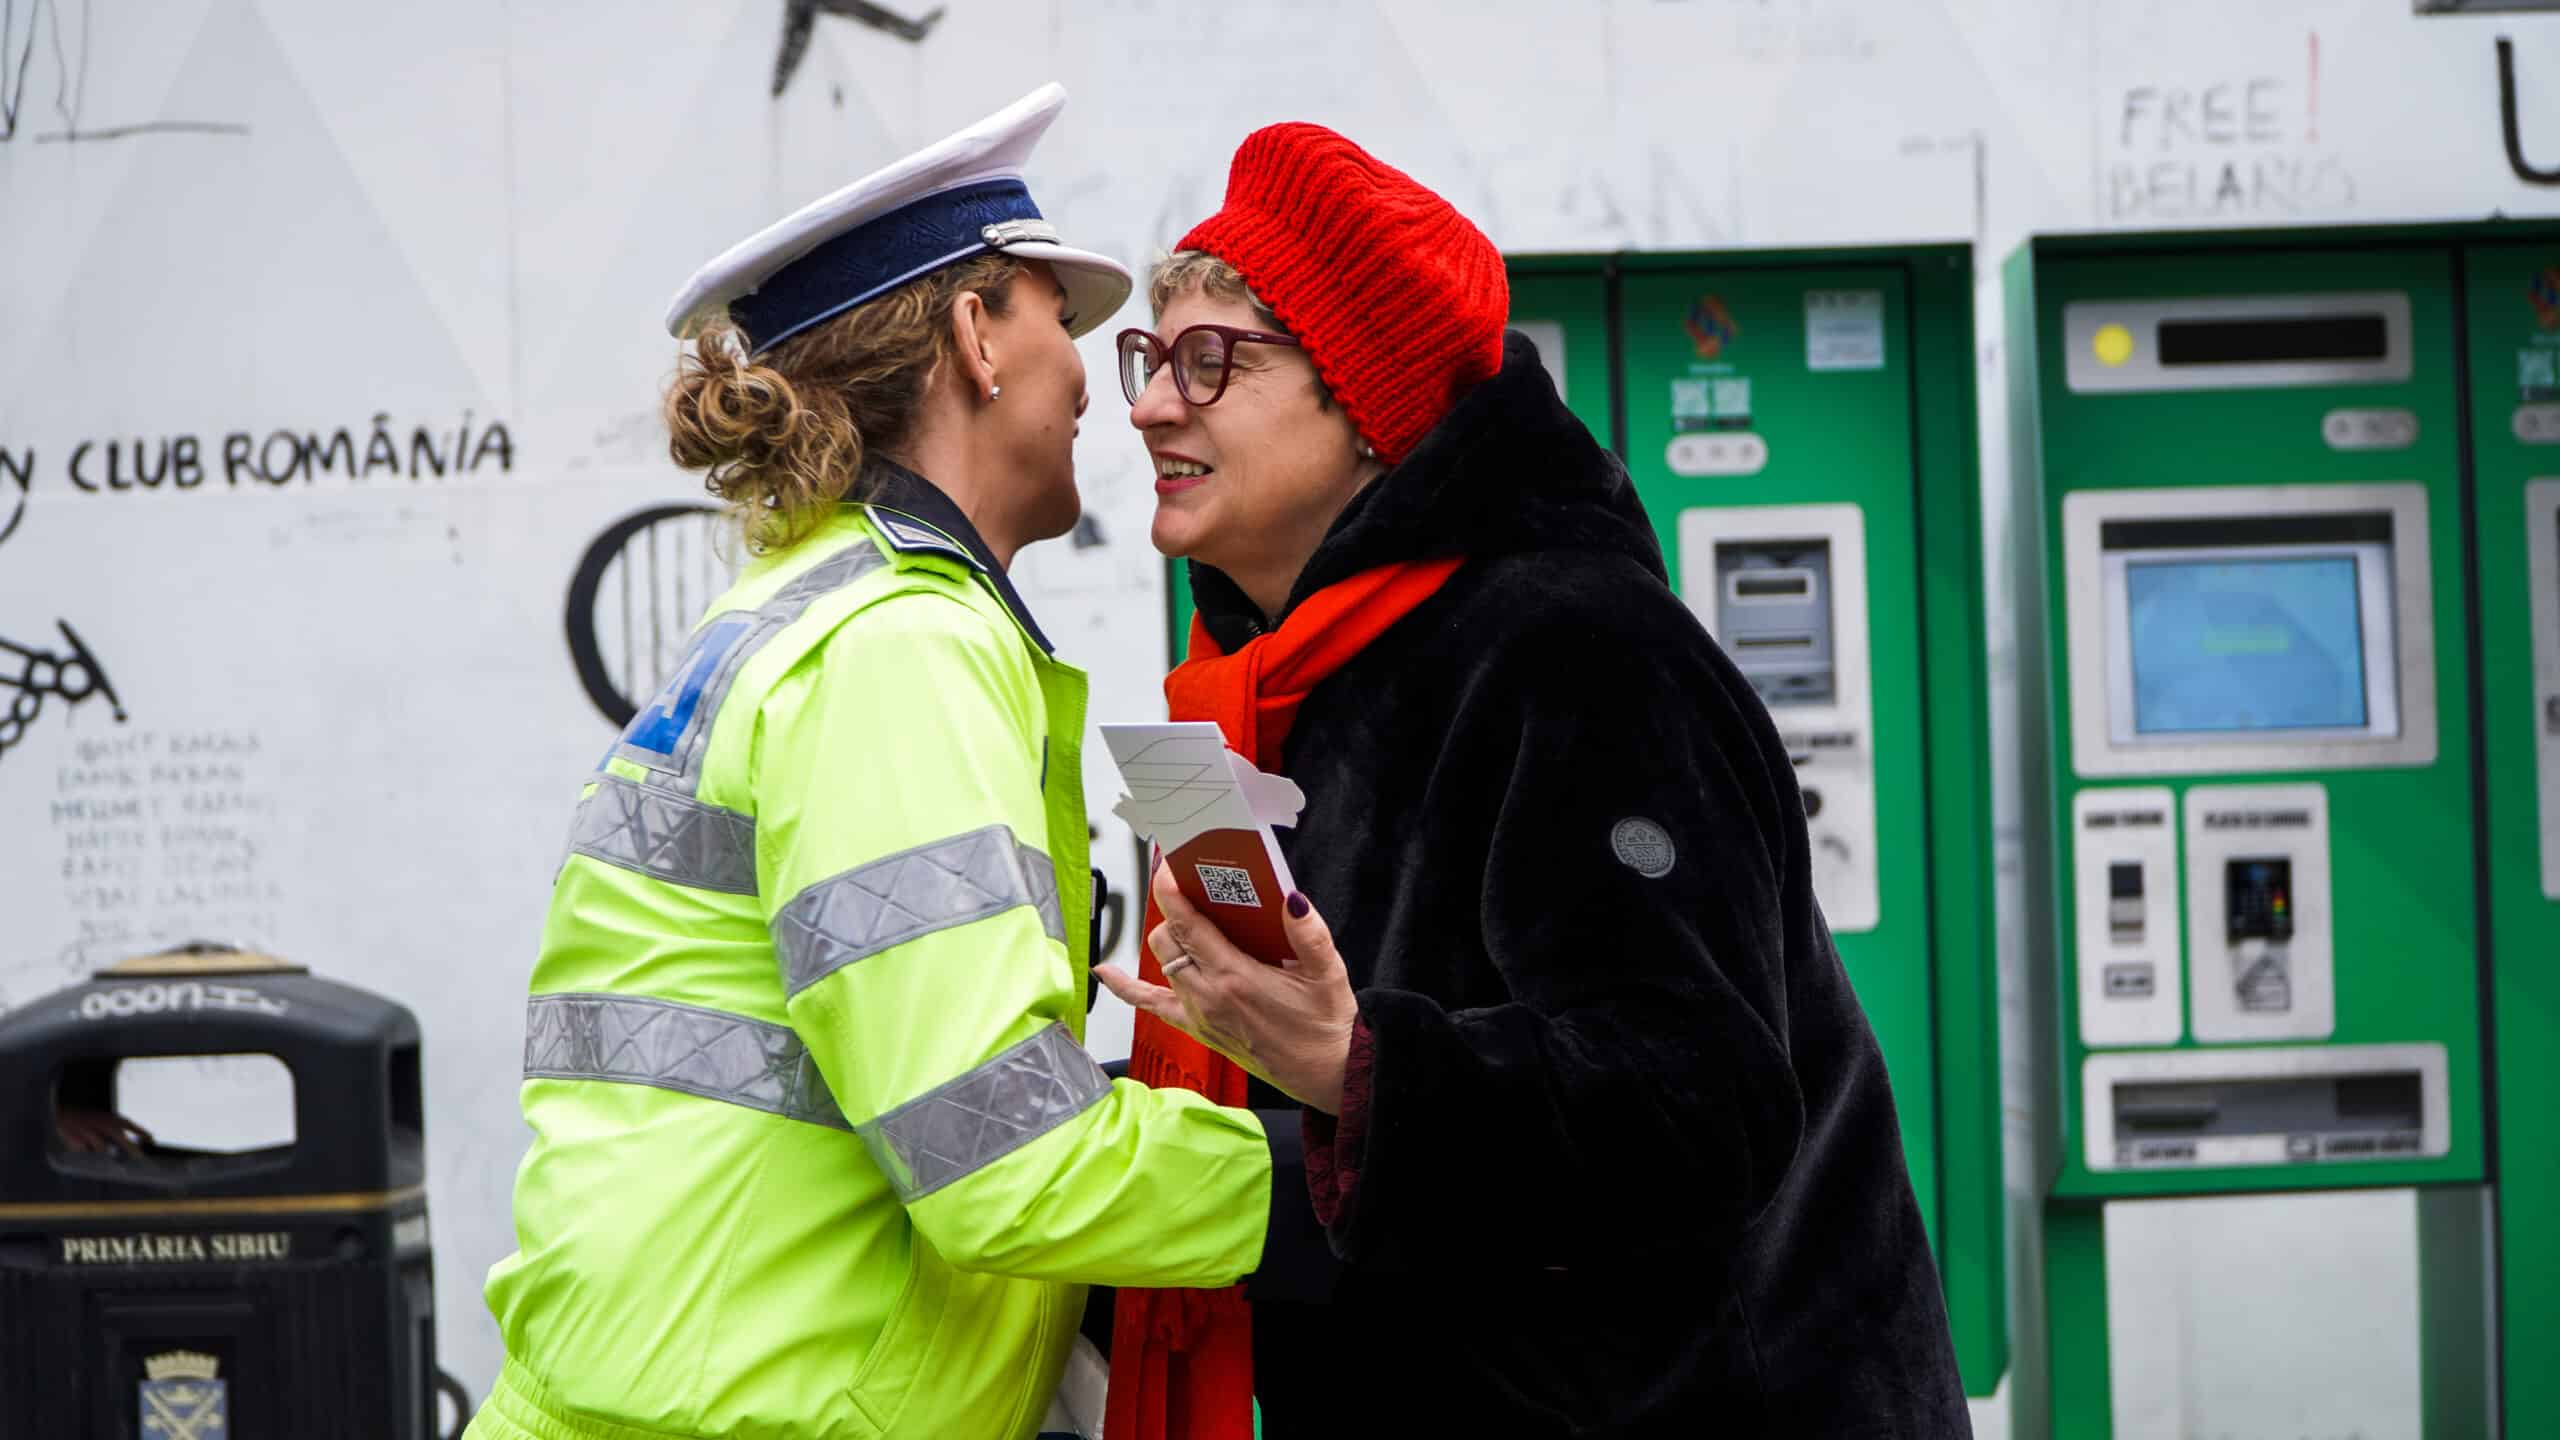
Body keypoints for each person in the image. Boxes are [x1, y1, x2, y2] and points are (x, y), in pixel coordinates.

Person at [1095, 122, 1974, 1437]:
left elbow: (1705, 1104)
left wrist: (1366, 1066)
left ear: (1363, 403)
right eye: (1151, 358)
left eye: (1213, 359)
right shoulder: (1249, 684)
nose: (1154, 402)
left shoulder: (1577, 649)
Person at [468, 86, 1297, 1440]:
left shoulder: (819, 611)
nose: (1105, 382)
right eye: (1058, 319)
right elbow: (1004, 1165)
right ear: (976, 335)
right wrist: (1337, 1183)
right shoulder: (896, 651)